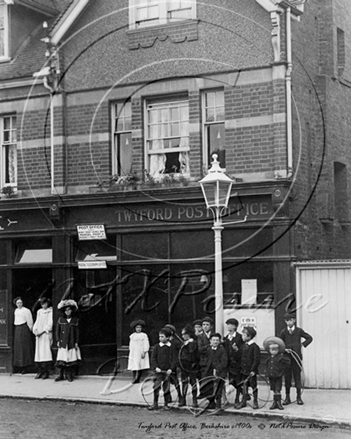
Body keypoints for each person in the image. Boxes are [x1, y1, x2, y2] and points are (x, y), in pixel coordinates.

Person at [279, 312, 313, 405]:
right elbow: (279, 344)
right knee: (287, 378)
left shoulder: (299, 331)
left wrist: (302, 345)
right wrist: (285, 349)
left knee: (297, 378)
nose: (289, 322)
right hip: (287, 359)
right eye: (287, 321)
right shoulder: (283, 332)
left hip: (296, 357)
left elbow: (309, 338)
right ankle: (287, 398)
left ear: (294, 320)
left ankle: (299, 397)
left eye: (290, 320)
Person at [148, 328, 177, 411]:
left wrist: (171, 369)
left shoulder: (171, 347)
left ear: (167, 337)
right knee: (156, 386)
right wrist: (156, 367)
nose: (160, 338)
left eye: (162, 336)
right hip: (158, 371)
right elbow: (153, 358)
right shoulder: (157, 347)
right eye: (159, 336)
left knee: (166, 387)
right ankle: (155, 403)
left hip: (167, 371)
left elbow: (174, 359)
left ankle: (166, 404)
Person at [199, 333, 228, 410]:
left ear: (220, 341)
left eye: (217, 340)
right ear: (210, 341)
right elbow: (200, 352)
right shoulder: (208, 349)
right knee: (208, 388)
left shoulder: (222, 350)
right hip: (208, 371)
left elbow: (224, 362)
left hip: (219, 372)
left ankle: (218, 407)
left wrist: (217, 369)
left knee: (218, 389)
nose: (215, 342)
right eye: (213, 340)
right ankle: (211, 403)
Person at [55, 299, 81, 383]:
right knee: (62, 359)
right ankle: (61, 375)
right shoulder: (61, 320)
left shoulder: (75, 320)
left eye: (69, 310)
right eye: (66, 310)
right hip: (63, 342)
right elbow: (57, 331)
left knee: (70, 359)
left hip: (71, 342)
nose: (68, 312)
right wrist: (58, 340)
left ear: (71, 311)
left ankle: (70, 375)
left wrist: (76, 341)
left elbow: (77, 332)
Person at [263, 336, 290, 410]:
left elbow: (288, 362)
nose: (274, 351)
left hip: (278, 376)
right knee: (274, 389)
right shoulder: (269, 359)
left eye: (275, 350)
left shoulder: (281, 358)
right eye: (272, 350)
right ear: (269, 350)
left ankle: (279, 403)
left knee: (278, 389)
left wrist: (282, 369)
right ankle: (274, 402)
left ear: (278, 350)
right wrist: (267, 374)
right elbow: (266, 367)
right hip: (271, 377)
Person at [237, 326, 260, 410]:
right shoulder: (243, 346)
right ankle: (244, 401)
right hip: (243, 370)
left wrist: (253, 370)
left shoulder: (254, 347)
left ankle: (255, 401)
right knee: (244, 385)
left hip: (251, 371)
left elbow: (256, 360)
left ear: (249, 336)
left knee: (253, 385)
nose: (242, 337)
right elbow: (240, 356)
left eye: (244, 335)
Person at [223, 318, 244, 408]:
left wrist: (237, 350)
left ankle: (237, 399)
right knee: (232, 382)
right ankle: (245, 394)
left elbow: (243, 351)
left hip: (237, 364)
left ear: (235, 326)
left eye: (230, 324)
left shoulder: (240, 337)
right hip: (229, 364)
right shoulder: (226, 338)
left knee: (238, 381)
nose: (228, 326)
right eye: (228, 324)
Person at [33, 297, 53, 380]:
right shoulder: (39, 312)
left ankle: (46, 372)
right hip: (39, 335)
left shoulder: (50, 311)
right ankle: (40, 371)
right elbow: (37, 322)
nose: (43, 305)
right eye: (42, 304)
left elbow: (50, 323)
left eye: (45, 304)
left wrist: (43, 331)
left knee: (45, 352)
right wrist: (35, 330)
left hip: (45, 334)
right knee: (39, 353)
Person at [179, 324, 198, 408]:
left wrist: (189, 343)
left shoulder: (193, 343)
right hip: (184, 366)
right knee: (184, 382)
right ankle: (183, 399)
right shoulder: (184, 343)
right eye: (182, 334)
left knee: (193, 382)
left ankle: (194, 399)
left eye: (184, 334)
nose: (183, 336)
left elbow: (193, 353)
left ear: (189, 334)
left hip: (192, 366)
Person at [13, 297, 34, 374]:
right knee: (18, 348)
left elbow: (30, 321)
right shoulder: (15, 310)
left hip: (24, 329)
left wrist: (30, 329)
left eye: (20, 303)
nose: (19, 304)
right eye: (18, 303)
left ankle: (25, 367)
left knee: (24, 348)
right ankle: (19, 366)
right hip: (17, 329)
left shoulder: (26, 310)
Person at [164, 324, 183, 405]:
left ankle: (180, 396)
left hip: (174, 364)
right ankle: (168, 396)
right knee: (166, 381)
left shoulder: (176, 342)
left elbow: (181, 352)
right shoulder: (164, 342)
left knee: (175, 381)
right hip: (165, 364)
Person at [127, 319, 150, 384]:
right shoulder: (133, 336)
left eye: (140, 327)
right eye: (137, 327)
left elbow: (146, 343)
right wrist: (131, 351)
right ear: (135, 328)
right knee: (134, 365)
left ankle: (138, 378)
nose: (138, 329)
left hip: (140, 351)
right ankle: (134, 377)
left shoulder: (143, 335)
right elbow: (131, 344)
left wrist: (145, 351)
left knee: (139, 365)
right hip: (134, 352)